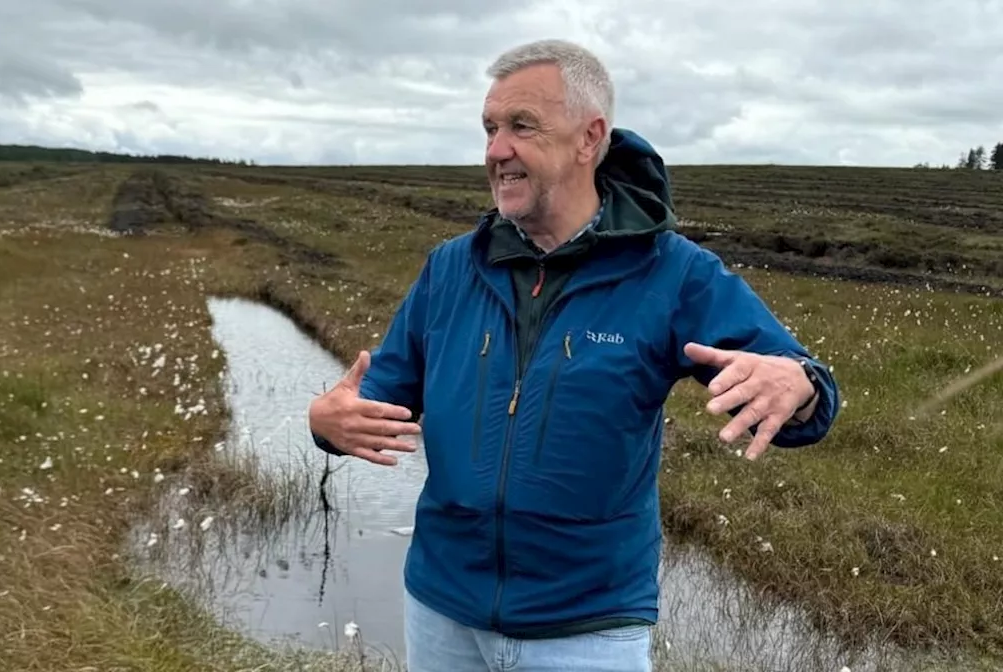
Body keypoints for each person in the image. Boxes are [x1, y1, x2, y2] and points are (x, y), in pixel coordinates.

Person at [307, 39, 839, 672]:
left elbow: (807, 390)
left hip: (587, 627)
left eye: (521, 127)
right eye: (490, 128)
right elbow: (378, 397)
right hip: (442, 608)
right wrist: (328, 423)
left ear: (590, 138)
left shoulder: (673, 273)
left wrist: (797, 383)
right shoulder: (451, 269)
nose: (496, 150)